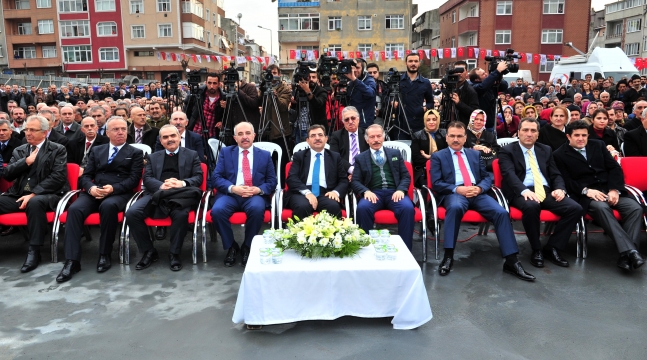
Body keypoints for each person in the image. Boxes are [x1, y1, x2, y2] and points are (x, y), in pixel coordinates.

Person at [431, 121, 535, 281]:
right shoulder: (438, 156)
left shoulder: (474, 154)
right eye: (452, 136)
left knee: (501, 212)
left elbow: (487, 177)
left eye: (459, 136)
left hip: (477, 192)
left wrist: (479, 188)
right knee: (455, 208)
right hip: (455, 193)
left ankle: (512, 261)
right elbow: (436, 182)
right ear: (446, 138)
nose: (456, 139)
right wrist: (457, 189)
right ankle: (449, 256)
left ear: (465, 138)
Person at [57, 117, 144, 281]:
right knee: (75, 210)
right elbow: (86, 175)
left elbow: (133, 179)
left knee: (108, 207)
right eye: (116, 129)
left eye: (123, 129)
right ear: (108, 132)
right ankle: (72, 260)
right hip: (94, 190)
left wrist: (114, 188)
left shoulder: (135, 153)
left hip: (119, 192)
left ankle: (105, 253)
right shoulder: (98, 150)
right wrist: (91, 188)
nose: (120, 132)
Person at [553, 120, 645, 272]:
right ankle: (631, 252)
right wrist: (586, 191)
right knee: (602, 208)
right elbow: (566, 181)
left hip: (608, 190)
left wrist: (614, 189)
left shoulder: (598, 145)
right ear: (568, 136)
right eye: (577, 135)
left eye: (584, 135)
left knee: (635, 208)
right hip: (587, 196)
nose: (581, 138)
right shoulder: (559, 154)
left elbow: (614, 168)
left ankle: (626, 255)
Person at [498, 118, 582, 268]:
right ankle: (537, 249)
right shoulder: (507, 150)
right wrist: (524, 190)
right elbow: (509, 175)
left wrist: (559, 188)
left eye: (533, 131)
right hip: (520, 190)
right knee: (531, 206)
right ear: (518, 133)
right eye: (525, 130)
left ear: (538, 134)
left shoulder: (546, 150)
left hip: (545, 190)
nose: (529, 134)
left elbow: (555, 174)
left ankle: (553, 247)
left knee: (575, 208)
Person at [125, 125, 203, 272]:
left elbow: (198, 177)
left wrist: (181, 183)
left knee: (181, 215)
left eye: (173, 136)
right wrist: (162, 186)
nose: (170, 139)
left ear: (179, 137)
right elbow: (147, 178)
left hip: (181, 195)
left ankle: (174, 253)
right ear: (160, 141)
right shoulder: (153, 157)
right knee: (132, 213)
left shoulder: (192, 155)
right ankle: (148, 251)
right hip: (156, 193)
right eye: (165, 137)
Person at [0, 115, 69, 273]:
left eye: (33, 130)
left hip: (50, 195)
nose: (28, 133)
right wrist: (25, 162)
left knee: (35, 203)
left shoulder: (57, 149)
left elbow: (58, 178)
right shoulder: (20, 150)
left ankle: (34, 251)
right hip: (18, 195)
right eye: (26, 129)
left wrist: (34, 194)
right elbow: (8, 174)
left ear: (44, 132)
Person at [210, 121, 277, 267]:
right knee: (217, 211)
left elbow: (272, 181)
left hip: (255, 195)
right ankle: (231, 247)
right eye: (240, 134)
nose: (244, 137)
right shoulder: (226, 153)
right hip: (231, 194)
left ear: (254, 136)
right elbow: (216, 178)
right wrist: (233, 188)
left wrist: (258, 189)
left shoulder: (265, 155)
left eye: (247, 133)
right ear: (235, 138)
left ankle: (247, 246)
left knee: (257, 209)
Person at [351, 124, 415, 250]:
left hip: (395, 192)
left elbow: (406, 176)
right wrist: (365, 191)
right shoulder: (360, 158)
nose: (376, 140)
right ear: (367, 140)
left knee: (407, 208)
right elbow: (355, 181)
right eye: (372, 137)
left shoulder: (395, 153)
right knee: (363, 208)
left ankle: (405, 250)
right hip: (374, 193)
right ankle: (365, 249)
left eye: (379, 136)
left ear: (384, 137)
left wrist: (401, 189)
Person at [285, 125, 348, 220]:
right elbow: (292, 178)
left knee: (333, 207)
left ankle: (330, 235)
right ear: (307, 140)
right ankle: (299, 235)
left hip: (326, 193)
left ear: (326, 139)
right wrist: (307, 193)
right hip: (302, 192)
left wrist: (335, 192)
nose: (317, 138)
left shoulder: (335, 157)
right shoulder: (299, 156)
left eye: (320, 135)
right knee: (302, 207)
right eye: (313, 136)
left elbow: (343, 180)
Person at [392, 53, 434, 139]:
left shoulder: (425, 82)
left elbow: (431, 102)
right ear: (406, 63)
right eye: (410, 61)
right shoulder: (398, 80)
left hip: (418, 123)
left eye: (416, 61)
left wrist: (424, 108)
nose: (413, 64)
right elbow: (387, 96)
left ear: (419, 63)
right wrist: (391, 102)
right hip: (401, 124)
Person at [328, 106, 369, 179]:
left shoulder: (367, 133)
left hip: (365, 172)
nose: (350, 121)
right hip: (344, 173)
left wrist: (359, 172)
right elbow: (334, 156)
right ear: (343, 122)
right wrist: (352, 170)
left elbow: (371, 154)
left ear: (358, 119)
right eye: (346, 119)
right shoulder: (336, 136)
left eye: (353, 118)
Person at [469, 62, 509, 134]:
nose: (486, 75)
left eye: (485, 72)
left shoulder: (489, 84)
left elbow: (504, 86)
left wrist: (499, 76)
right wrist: (497, 71)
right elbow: (482, 87)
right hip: (479, 125)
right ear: (477, 80)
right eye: (483, 74)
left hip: (491, 124)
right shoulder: (473, 87)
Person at [411, 109, 447, 188]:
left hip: (444, 167)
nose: (431, 122)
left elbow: (447, 152)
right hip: (423, 169)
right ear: (424, 121)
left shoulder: (444, 134)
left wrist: (430, 157)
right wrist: (433, 162)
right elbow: (416, 158)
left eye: (434, 119)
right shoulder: (417, 135)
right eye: (428, 120)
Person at [189, 73, 225, 139]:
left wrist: (222, 122)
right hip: (196, 132)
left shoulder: (224, 98)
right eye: (209, 83)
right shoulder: (198, 94)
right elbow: (188, 109)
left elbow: (227, 116)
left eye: (214, 83)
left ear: (219, 84)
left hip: (213, 134)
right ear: (206, 83)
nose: (212, 86)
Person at [345, 59, 376, 128]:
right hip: (351, 121)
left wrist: (355, 80)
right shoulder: (350, 81)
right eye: (353, 68)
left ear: (363, 69)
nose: (355, 70)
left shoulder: (369, 80)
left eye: (358, 68)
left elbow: (370, 93)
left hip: (364, 123)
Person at [294, 69, 328, 133]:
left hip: (314, 128)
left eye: (314, 77)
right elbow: (296, 107)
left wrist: (308, 91)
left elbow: (318, 103)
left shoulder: (322, 91)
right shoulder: (300, 90)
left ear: (318, 80)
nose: (311, 79)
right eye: (309, 77)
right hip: (299, 127)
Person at [450, 60, 479, 125]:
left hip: (463, 126)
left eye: (461, 71)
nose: (458, 73)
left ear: (466, 72)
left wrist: (459, 103)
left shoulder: (470, 90)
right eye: (456, 71)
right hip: (449, 125)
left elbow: (475, 113)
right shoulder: (450, 88)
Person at [366, 63, 388, 127]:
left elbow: (387, 103)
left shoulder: (384, 86)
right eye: (370, 73)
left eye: (375, 72)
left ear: (378, 73)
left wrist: (381, 111)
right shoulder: (362, 86)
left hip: (380, 118)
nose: (372, 75)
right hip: (366, 118)